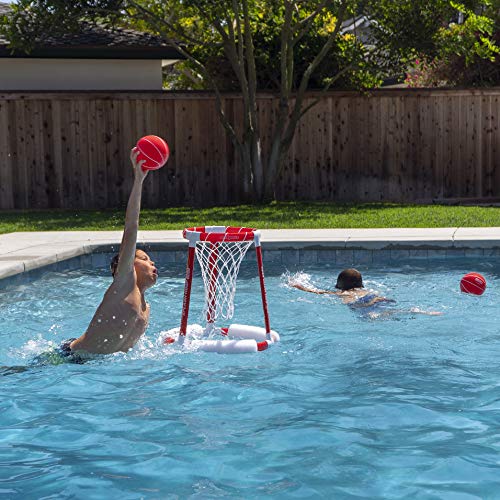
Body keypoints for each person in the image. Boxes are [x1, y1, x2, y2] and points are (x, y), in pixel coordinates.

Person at [40, 148, 158, 363]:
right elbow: (131, 227)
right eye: (144, 258)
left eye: (150, 260)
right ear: (125, 266)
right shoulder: (124, 282)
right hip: (69, 357)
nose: (152, 263)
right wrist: (139, 180)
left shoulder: (146, 308)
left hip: (93, 367)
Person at [290, 268, 442, 318]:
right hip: (375, 297)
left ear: (341, 286)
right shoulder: (366, 289)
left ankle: (415, 312)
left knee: (377, 317)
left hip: (361, 304)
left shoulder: (343, 294)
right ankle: (421, 311)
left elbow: (319, 292)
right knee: (392, 311)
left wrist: (299, 286)